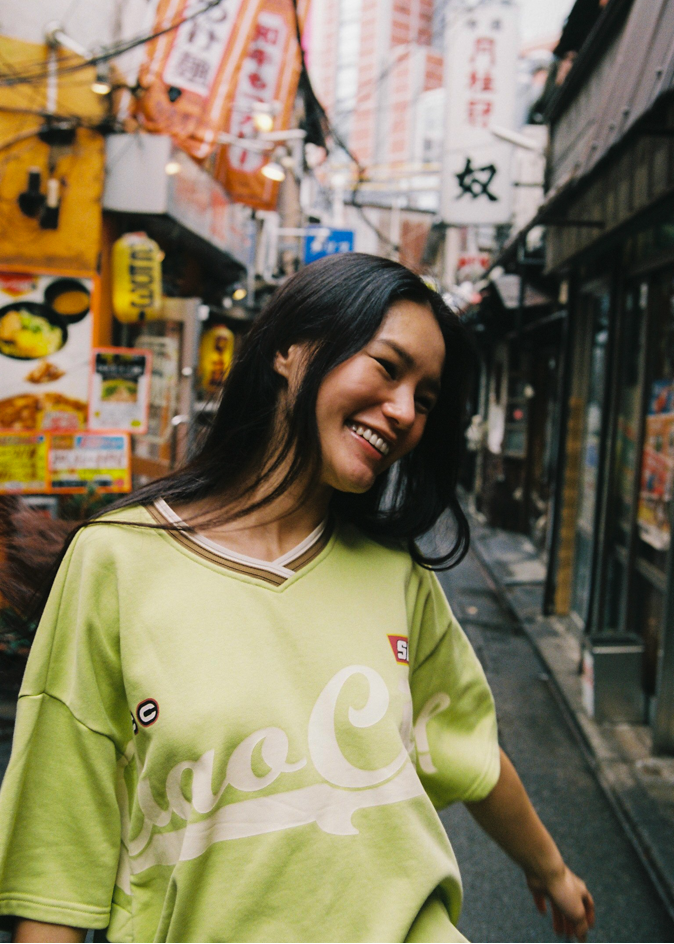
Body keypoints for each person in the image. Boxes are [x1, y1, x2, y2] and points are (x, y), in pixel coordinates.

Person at [0, 254, 594, 944]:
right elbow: (58, 855)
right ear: (290, 349)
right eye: (387, 366)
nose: (404, 411)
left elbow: (468, 750)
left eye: (426, 399)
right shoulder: (117, 560)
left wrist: (550, 870)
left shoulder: (398, 578)